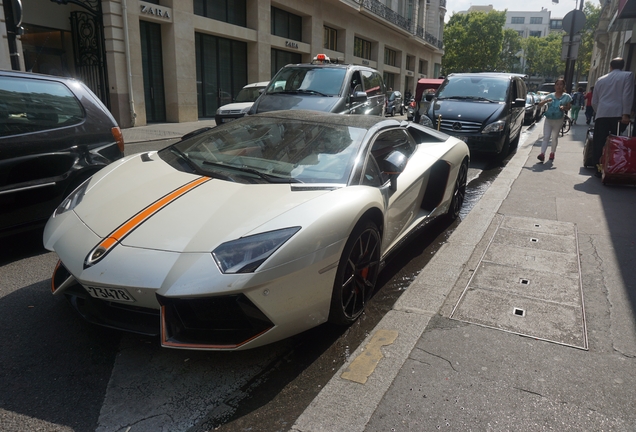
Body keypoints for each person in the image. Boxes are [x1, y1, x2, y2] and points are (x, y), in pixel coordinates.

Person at [592, 57, 635, 176]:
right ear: (623, 66)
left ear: (610, 66)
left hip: (602, 114)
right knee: (617, 141)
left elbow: (595, 100)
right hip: (618, 114)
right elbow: (627, 95)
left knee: (599, 141)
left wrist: (599, 111)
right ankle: (614, 165)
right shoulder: (628, 75)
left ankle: (598, 166)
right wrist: (625, 114)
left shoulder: (600, 79)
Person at [537, 78, 572, 162]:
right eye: (557, 84)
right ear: (554, 86)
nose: (558, 86)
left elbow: (569, 107)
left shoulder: (567, 97)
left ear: (563, 86)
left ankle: (552, 152)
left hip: (558, 119)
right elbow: (540, 105)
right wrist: (546, 101)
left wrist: (564, 107)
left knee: (554, 137)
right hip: (549, 119)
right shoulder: (550, 96)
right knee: (546, 137)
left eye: (561, 84)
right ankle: (542, 154)